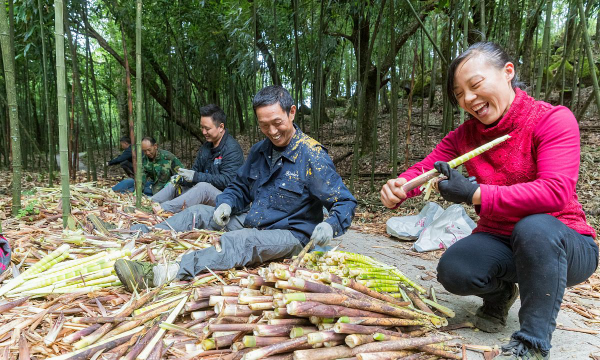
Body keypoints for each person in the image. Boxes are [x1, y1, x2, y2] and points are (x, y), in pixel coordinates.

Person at [380, 42, 598, 360]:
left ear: (507, 72)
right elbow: (425, 170)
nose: (468, 98)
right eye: (459, 94)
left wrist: (473, 193)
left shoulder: (552, 119)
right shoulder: (464, 135)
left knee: (534, 228)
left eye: (476, 84)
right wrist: (400, 188)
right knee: (456, 270)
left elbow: (554, 191)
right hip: (501, 239)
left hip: (564, 242)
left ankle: (533, 343)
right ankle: (500, 295)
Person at [114, 85, 357, 293]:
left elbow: (344, 202)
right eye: (264, 125)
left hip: (291, 234)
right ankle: (140, 233)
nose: (272, 132)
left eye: (277, 123)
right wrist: (227, 203)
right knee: (198, 211)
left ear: (291, 112)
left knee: (239, 242)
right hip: (254, 219)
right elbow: (239, 186)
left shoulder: (311, 154)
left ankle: (161, 273)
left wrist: (330, 225)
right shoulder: (260, 150)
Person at [151, 104, 244, 213]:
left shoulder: (232, 149)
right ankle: (150, 204)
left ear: (221, 127)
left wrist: (196, 176)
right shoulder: (206, 146)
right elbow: (195, 171)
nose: (204, 132)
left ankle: (164, 209)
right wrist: (183, 179)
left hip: (226, 199)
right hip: (206, 192)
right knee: (177, 182)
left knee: (203, 188)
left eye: (207, 128)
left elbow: (228, 181)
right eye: (202, 127)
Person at [112, 137, 183, 196]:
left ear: (155, 146)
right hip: (152, 185)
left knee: (129, 191)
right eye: (144, 151)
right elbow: (141, 179)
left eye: (149, 150)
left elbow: (182, 174)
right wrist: (137, 192)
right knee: (128, 182)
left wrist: (172, 184)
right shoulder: (144, 160)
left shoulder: (168, 157)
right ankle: (111, 193)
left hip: (165, 189)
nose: (147, 153)